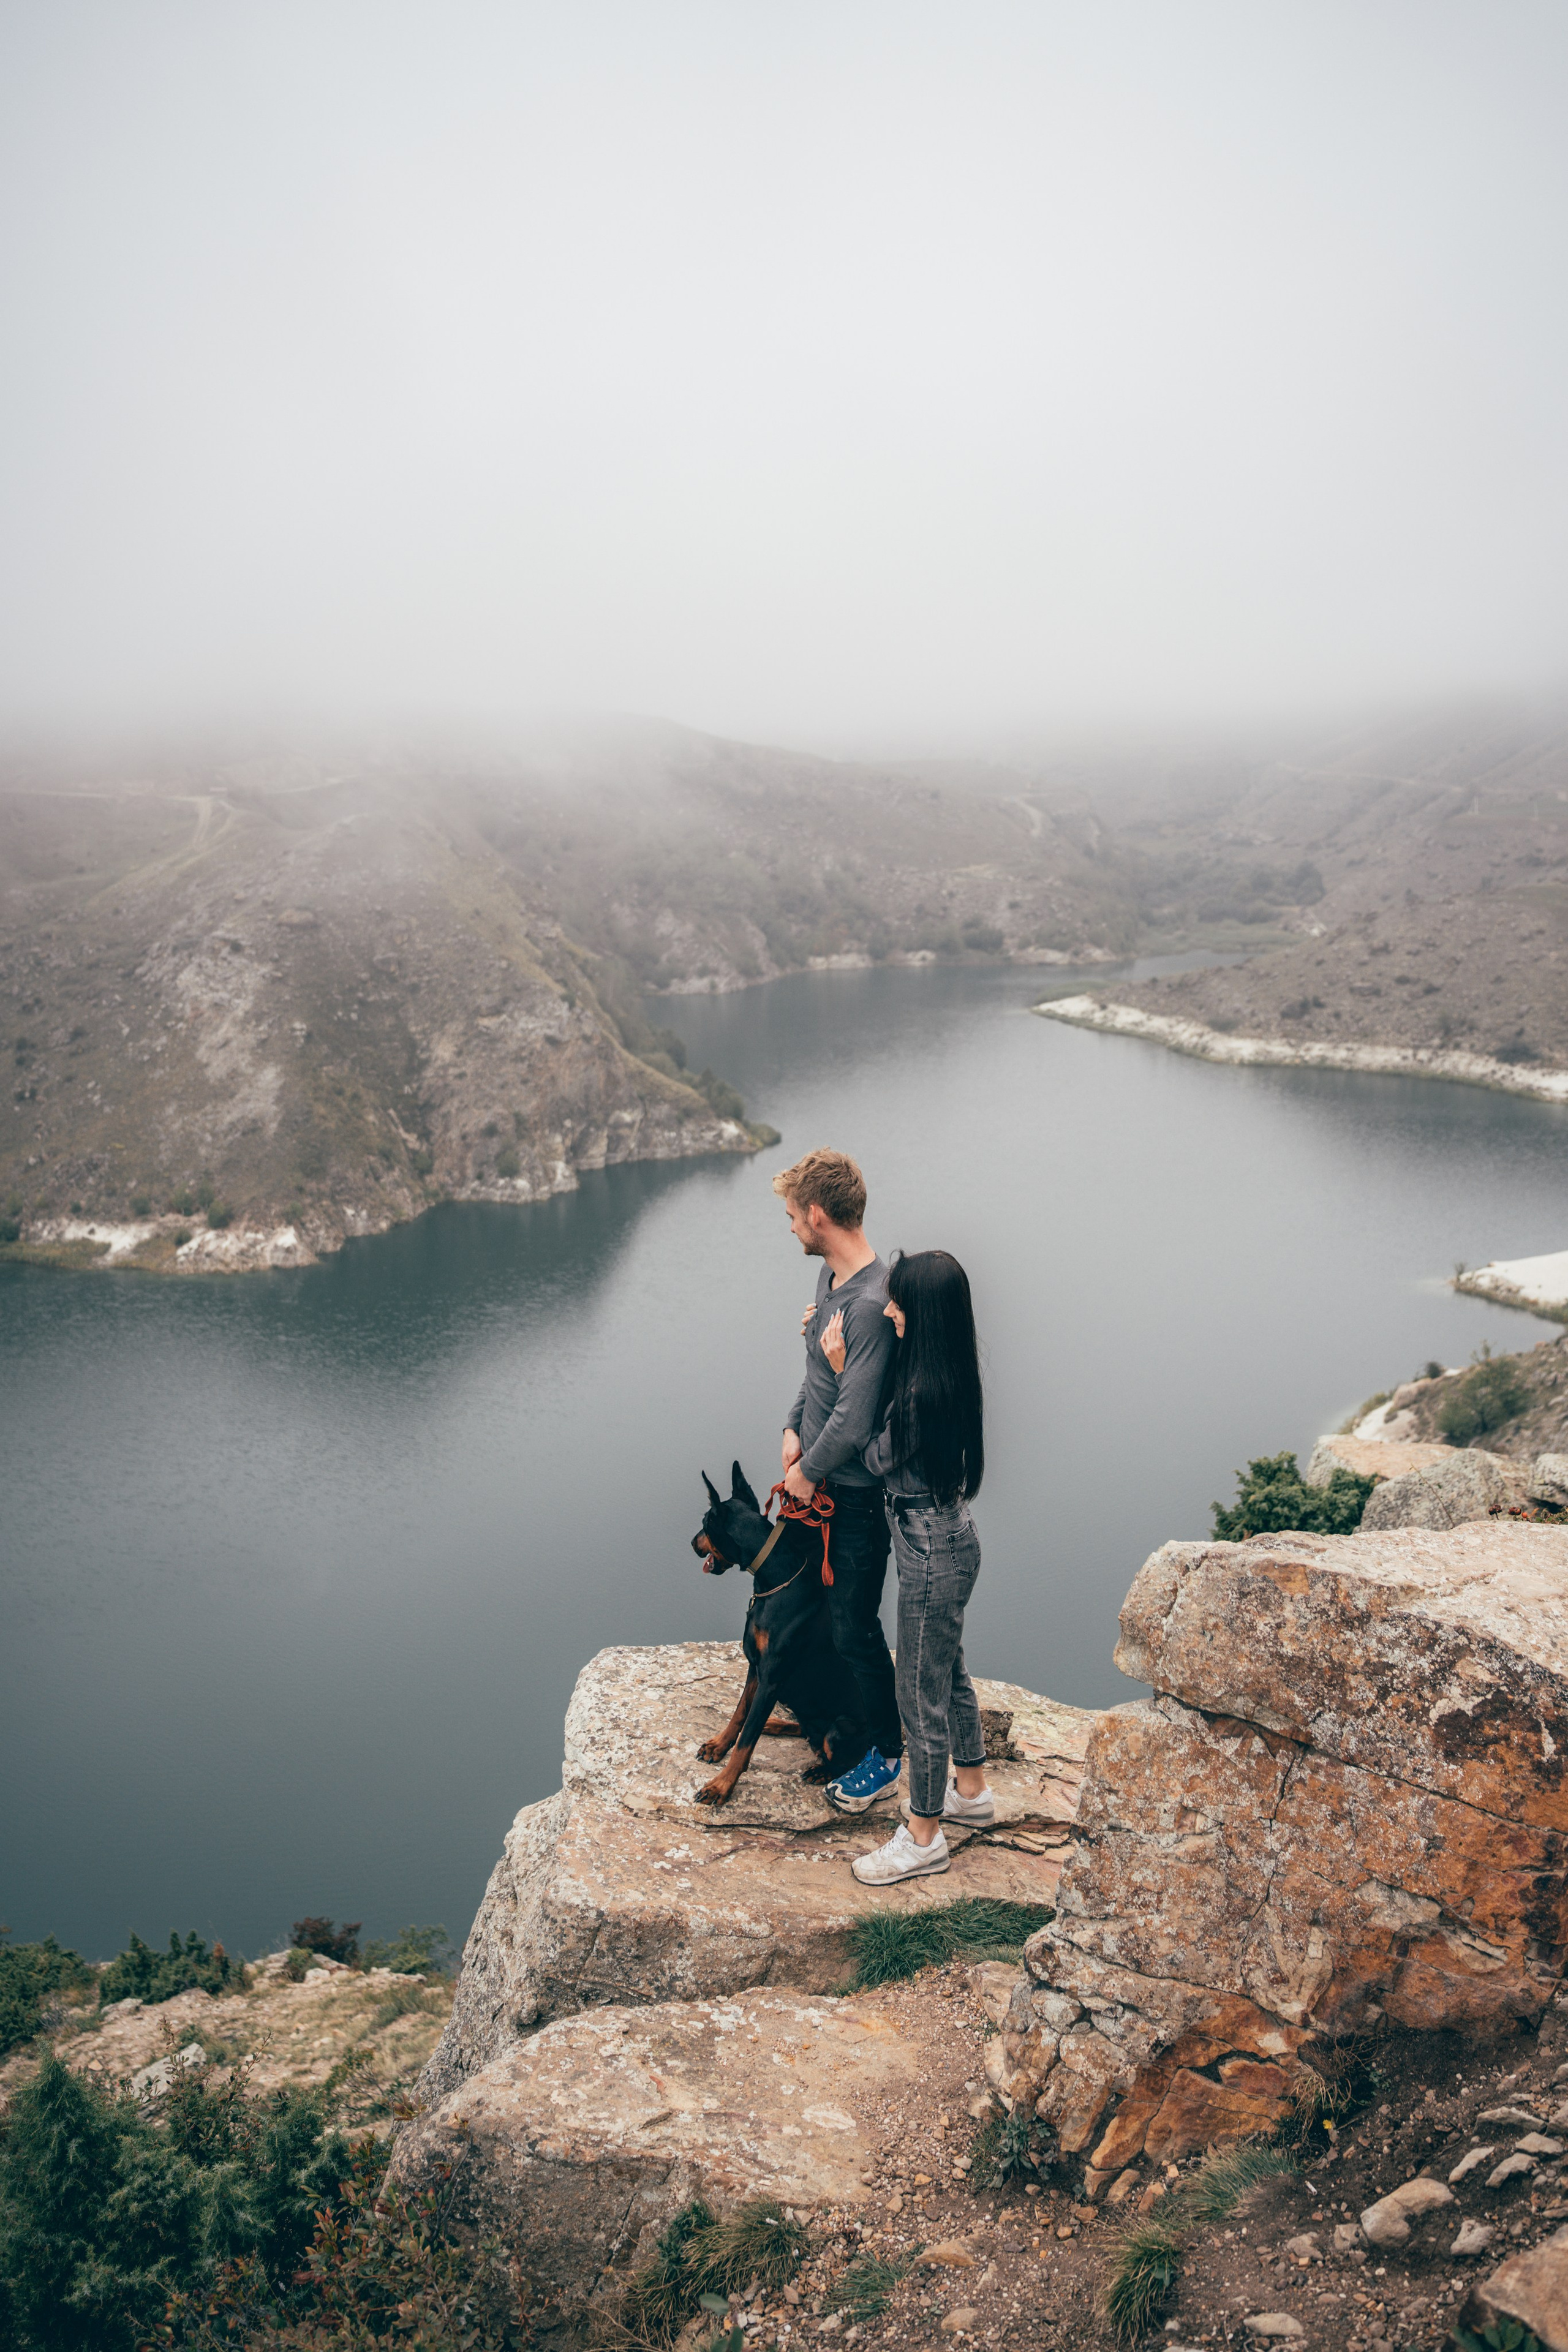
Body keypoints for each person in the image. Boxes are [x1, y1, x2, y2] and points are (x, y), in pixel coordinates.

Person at [820, 1247, 990, 1883]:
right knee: (948, 1673)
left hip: (928, 1548)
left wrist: (846, 1373)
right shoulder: (945, 1371)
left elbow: (874, 1458)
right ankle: (970, 1791)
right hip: (950, 1537)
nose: (888, 1310)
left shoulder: (921, 1394)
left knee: (918, 1694)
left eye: (898, 1303)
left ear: (923, 1313)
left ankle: (923, 1836)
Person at [775, 1148, 903, 1807]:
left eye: (794, 1216)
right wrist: (793, 1424)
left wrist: (808, 1471)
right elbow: (820, 1377)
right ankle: (832, 1717)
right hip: (821, 1486)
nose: (792, 1227)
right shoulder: (831, 1280)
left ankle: (886, 1754)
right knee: (822, 1617)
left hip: (852, 1501)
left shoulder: (871, 1305)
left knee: (854, 1627)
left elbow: (854, 1420)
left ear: (818, 1214)